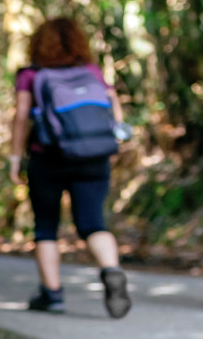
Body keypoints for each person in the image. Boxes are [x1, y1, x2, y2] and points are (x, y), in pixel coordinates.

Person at [8, 17, 131, 319]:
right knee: (92, 223)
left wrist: (14, 158)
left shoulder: (31, 75)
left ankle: (52, 296)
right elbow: (113, 109)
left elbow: (22, 117)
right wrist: (113, 140)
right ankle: (111, 270)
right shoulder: (91, 71)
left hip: (47, 156)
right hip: (93, 156)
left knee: (46, 226)